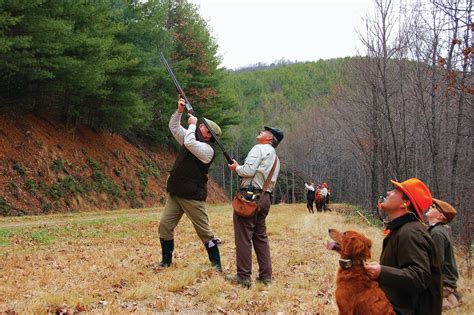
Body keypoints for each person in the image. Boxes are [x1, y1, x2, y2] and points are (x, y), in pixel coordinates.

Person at [158, 97, 223, 271]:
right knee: (165, 226)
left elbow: (189, 142)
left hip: (193, 196)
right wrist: (179, 111)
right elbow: (174, 127)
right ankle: (166, 261)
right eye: (200, 125)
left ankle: (216, 266)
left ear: (209, 135)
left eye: (203, 126)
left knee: (205, 233)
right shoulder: (191, 137)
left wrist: (192, 123)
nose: (200, 126)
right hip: (177, 192)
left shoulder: (207, 150)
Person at [364, 178, 442, 315]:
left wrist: (381, 272)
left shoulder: (410, 232)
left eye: (395, 191)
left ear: (405, 204)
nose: (388, 192)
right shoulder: (402, 229)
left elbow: (419, 277)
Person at [226, 126, 284, 287]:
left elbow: (248, 170)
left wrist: (236, 168)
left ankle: (243, 277)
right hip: (265, 198)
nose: (261, 131)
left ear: (269, 139)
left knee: (243, 237)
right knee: (260, 237)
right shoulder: (276, 159)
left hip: (250, 197)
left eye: (265, 131)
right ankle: (266, 277)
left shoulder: (259, 148)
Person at [426, 198, 463, 310]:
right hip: (444, 282)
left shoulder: (437, 233)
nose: (430, 208)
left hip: (443, 284)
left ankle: (451, 298)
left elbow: (436, 262)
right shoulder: (436, 231)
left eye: (433, 207)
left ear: (441, 216)